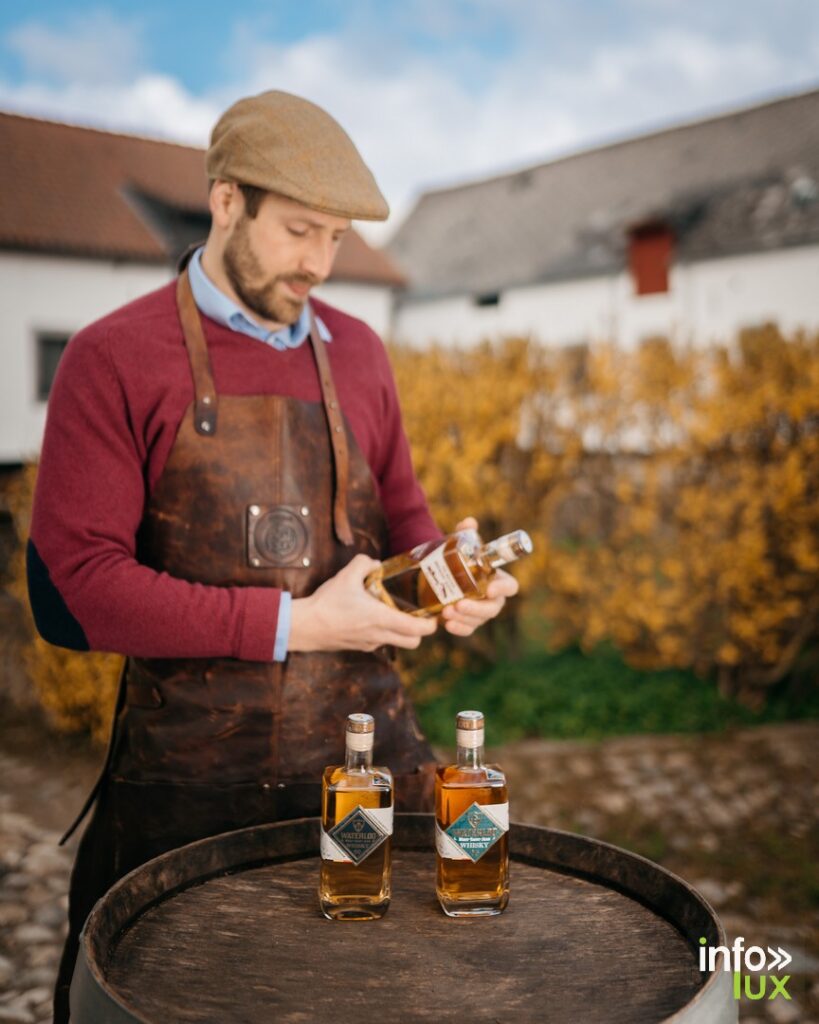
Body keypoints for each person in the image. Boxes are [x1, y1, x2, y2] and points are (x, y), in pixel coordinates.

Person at [26, 90, 518, 1021]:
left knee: (386, 994)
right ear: (224, 201)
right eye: (300, 231)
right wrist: (298, 623)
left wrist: (449, 572)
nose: (321, 265)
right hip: (188, 785)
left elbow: (405, 517)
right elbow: (72, 593)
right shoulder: (113, 356)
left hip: (365, 762)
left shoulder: (363, 354)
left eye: (336, 238)